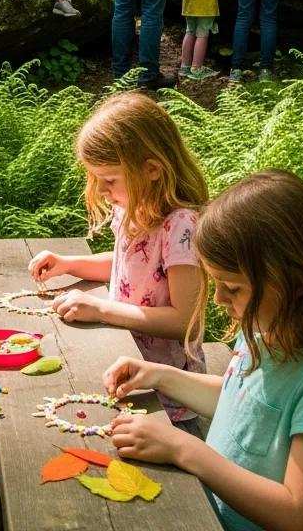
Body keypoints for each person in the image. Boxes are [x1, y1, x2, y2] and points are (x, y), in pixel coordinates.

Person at [104, 169, 303, 531]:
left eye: (233, 288)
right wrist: (161, 376)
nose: (218, 299)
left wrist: (184, 449)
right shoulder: (262, 329)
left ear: (295, 282)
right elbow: (242, 404)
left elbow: (297, 513)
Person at [27, 92, 208, 431]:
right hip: (123, 366)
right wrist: (69, 263)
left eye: (109, 180)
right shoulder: (132, 208)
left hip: (167, 397)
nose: (101, 190)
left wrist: (100, 309)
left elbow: (185, 320)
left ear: (151, 169)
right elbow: (128, 266)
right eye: (96, 179)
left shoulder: (180, 225)